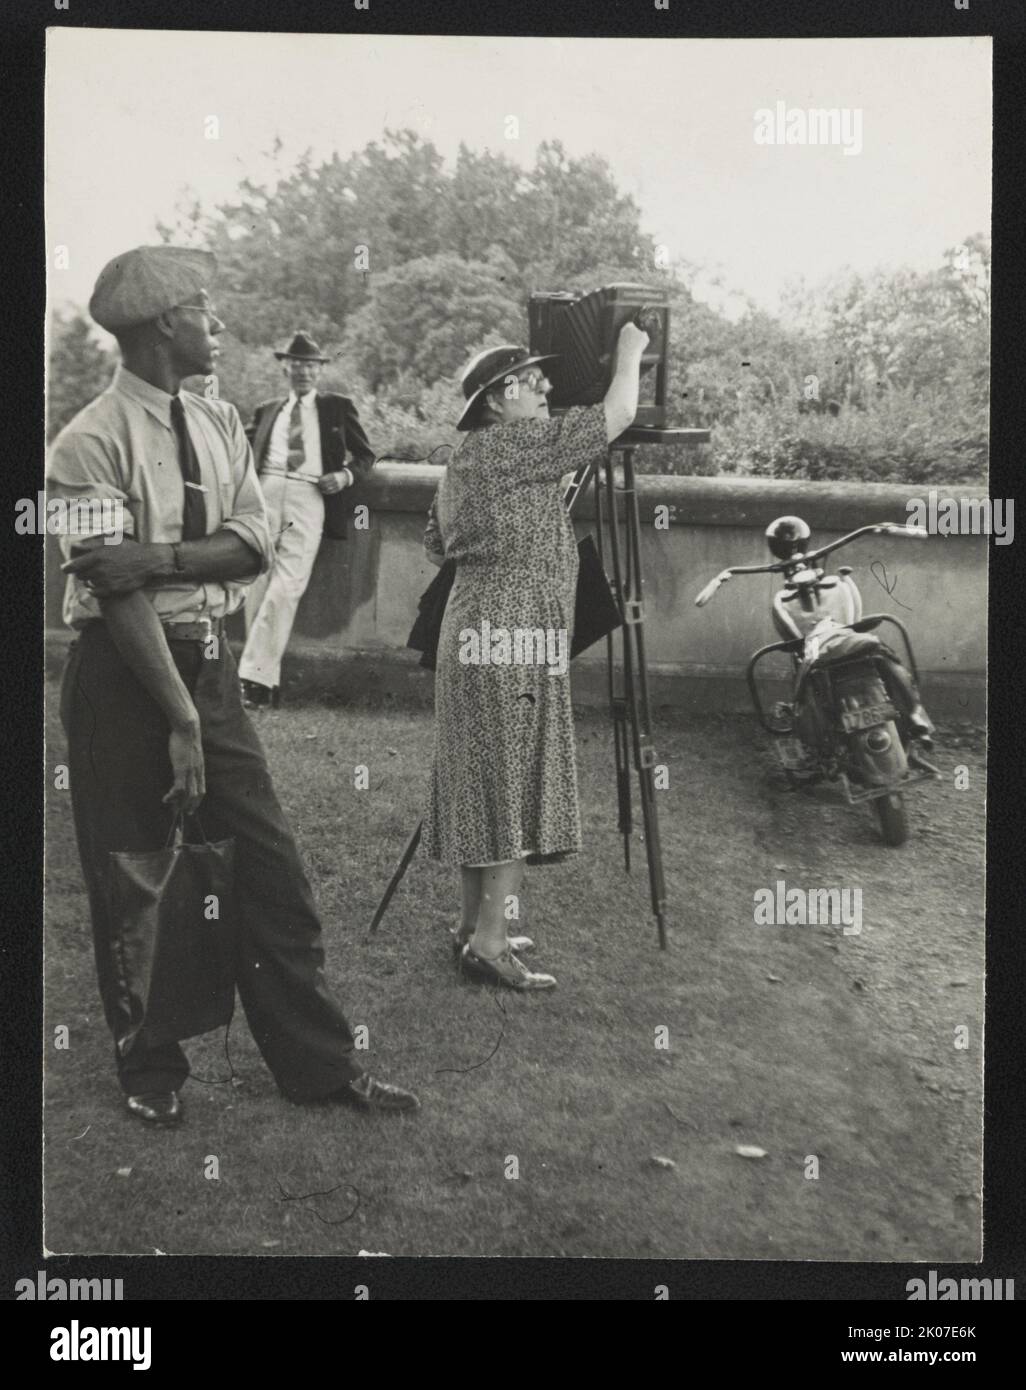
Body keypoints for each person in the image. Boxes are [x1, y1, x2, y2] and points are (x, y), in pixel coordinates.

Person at [47, 246, 418, 1125]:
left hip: (206, 666)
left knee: (270, 869)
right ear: (164, 325)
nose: (219, 325)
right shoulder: (83, 442)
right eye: (205, 310)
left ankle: (320, 1067)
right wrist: (178, 718)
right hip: (122, 680)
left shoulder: (216, 423)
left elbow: (255, 538)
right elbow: (110, 586)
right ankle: (151, 1073)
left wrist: (163, 558)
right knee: (134, 875)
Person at [422, 322, 649, 990]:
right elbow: (621, 414)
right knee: (509, 784)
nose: (546, 385)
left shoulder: (471, 455)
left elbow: (435, 543)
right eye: (529, 381)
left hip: (477, 629)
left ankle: (472, 927)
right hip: (510, 636)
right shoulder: (514, 443)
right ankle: (490, 944)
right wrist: (632, 351)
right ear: (498, 401)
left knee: (486, 782)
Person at [238, 331, 375, 708]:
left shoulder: (336, 407)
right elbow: (241, 452)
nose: (303, 372)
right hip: (265, 493)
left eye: (310, 366)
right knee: (255, 587)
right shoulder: (268, 410)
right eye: (296, 365)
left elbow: (365, 456)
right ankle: (260, 683)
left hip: (308, 495)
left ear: (320, 370)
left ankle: (252, 679)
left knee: (286, 588)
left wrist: (344, 476)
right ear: (285, 367)